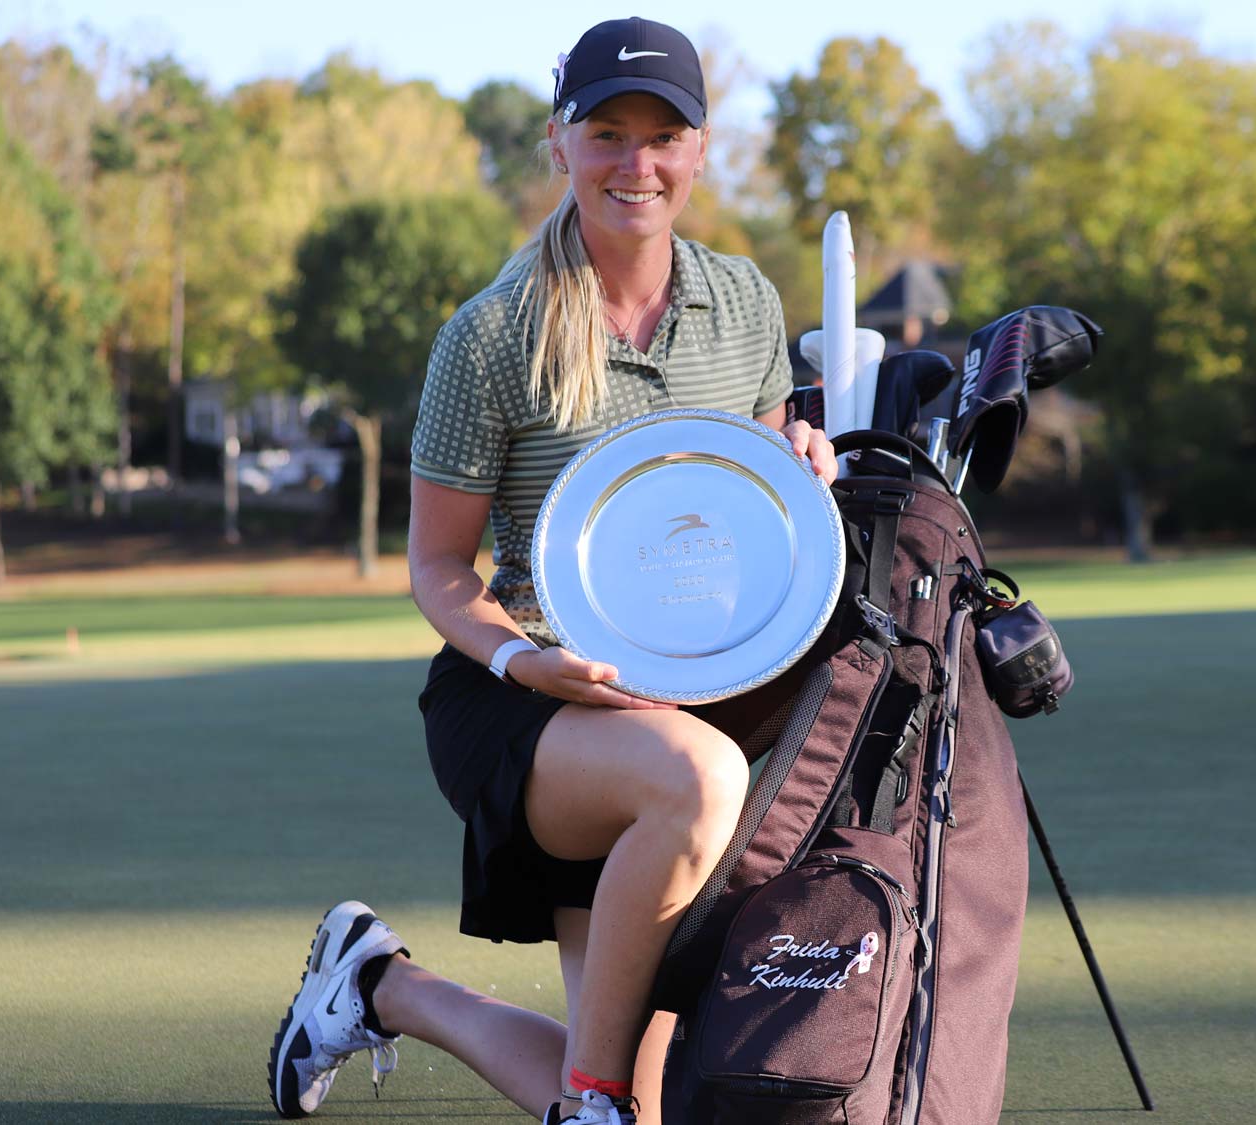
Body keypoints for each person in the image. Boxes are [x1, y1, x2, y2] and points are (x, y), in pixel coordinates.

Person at [267, 17, 835, 1125]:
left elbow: (759, 524)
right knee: (699, 785)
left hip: (691, 708)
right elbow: (436, 570)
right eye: (607, 134)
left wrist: (805, 464)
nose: (637, 164)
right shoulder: (490, 337)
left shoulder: (749, 304)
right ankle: (586, 1100)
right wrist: (526, 663)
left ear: (701, 147)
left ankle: (378, 983)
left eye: (661, 136)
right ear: (560, 142)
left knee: (650, 1103)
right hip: (526, 707)